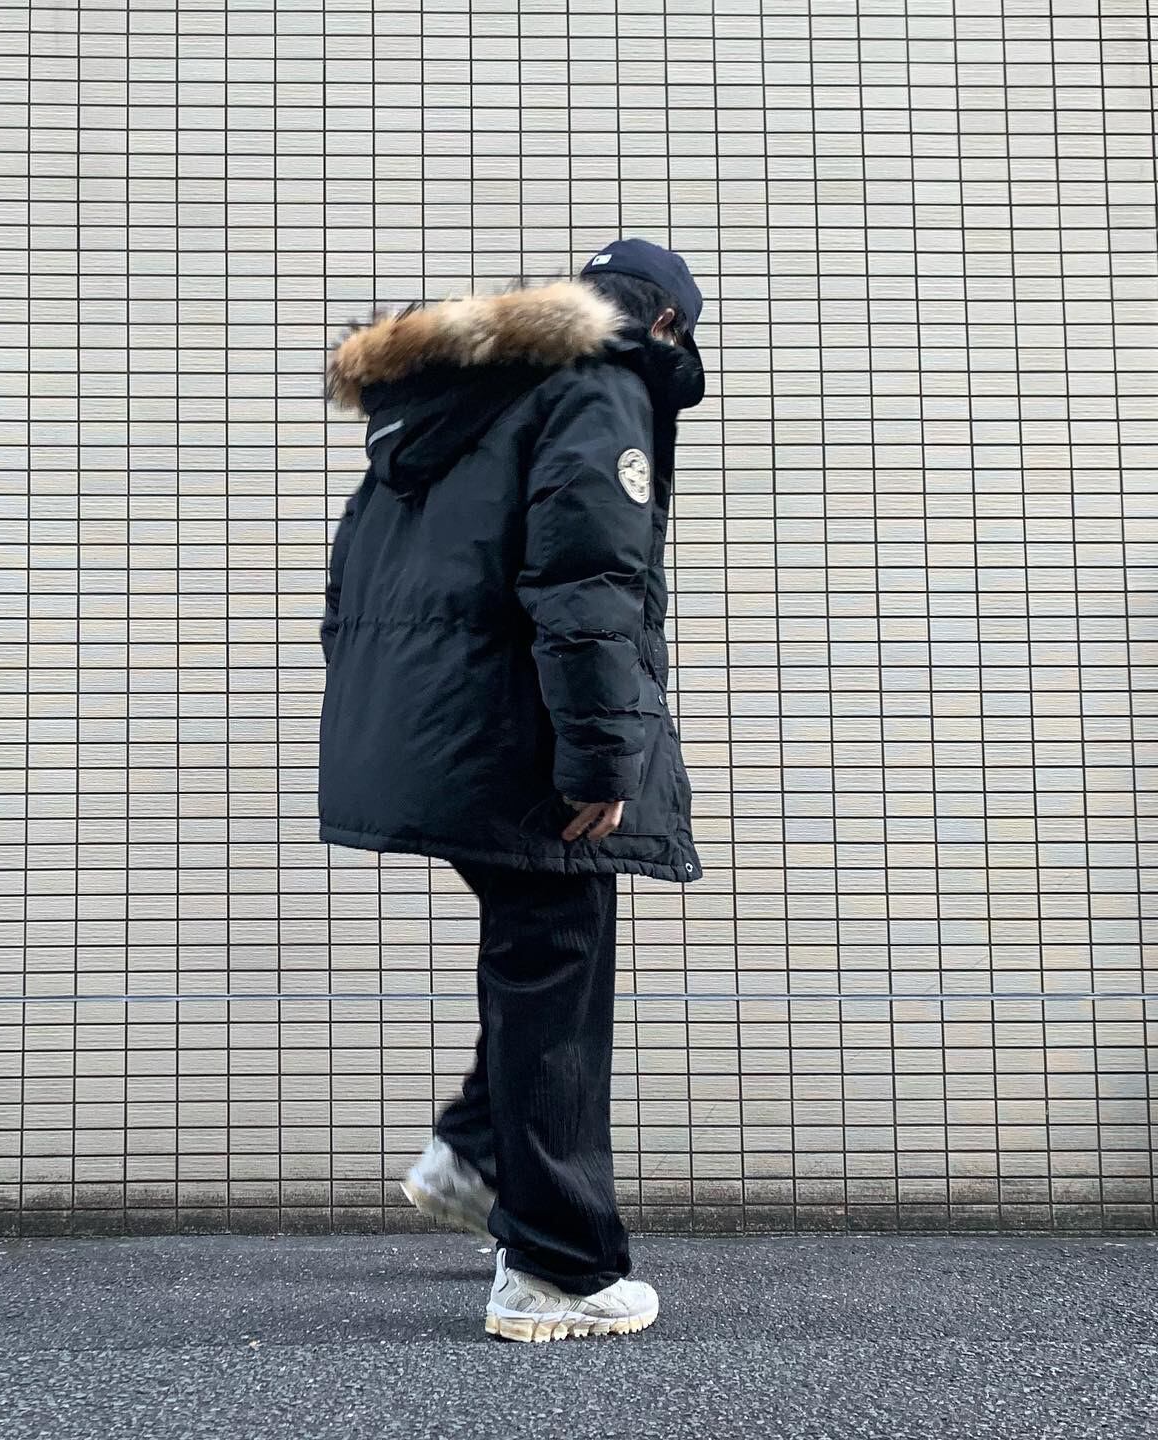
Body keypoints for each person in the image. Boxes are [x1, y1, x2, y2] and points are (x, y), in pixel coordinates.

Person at [318, 238, 707, 1342]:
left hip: (447, 728)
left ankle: (479, 1156)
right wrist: (601, 757)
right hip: (525, 733)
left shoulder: (459, 400)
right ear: (663, 324)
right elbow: (588, 578)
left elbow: (358, 580)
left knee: (537, 959)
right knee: (558, 978)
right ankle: (557, 1269)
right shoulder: (602, 383)